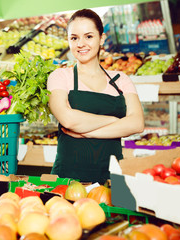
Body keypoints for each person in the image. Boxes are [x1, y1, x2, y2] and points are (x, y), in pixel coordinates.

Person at [47, 9, 145, 184]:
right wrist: (117, 121)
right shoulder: (60, 77)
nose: (81, 44)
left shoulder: (121, 80)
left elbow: (137, 124)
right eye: (74, 38)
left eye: (89, 36)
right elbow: (68, 120)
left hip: (112, 180)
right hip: (67, 181)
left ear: (102, 38)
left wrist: (86, 133)